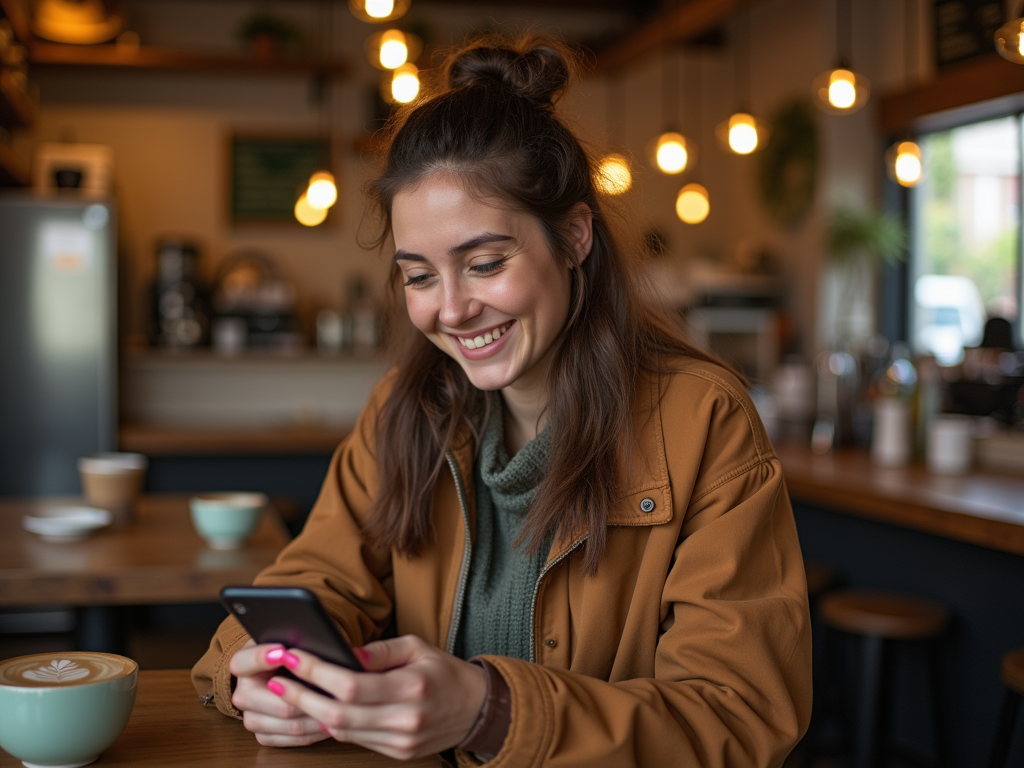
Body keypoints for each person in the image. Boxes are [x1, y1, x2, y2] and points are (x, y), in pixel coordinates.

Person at [192, 33, 812, 767]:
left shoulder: (702, 421)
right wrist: (260, 669)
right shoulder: (404, 408)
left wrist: (491, 712)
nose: (450, 310)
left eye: (484, 263)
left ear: (575, 235)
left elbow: (739, 717)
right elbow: (316, 579)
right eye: (419, 276)